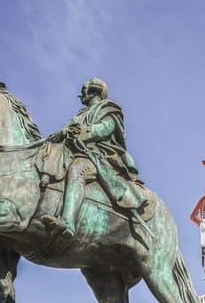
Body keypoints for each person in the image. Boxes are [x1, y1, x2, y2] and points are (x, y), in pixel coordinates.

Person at [41, 78, 149, 238]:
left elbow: (104, 129)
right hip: (73, 150)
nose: (80, 94)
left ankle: (68, 221)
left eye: (84, 89)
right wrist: (62, 133)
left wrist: (80, 132)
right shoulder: (79, 114)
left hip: (98, 155)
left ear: (95, 91)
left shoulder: (108, 110)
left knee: (77, 170)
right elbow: (68, 131)